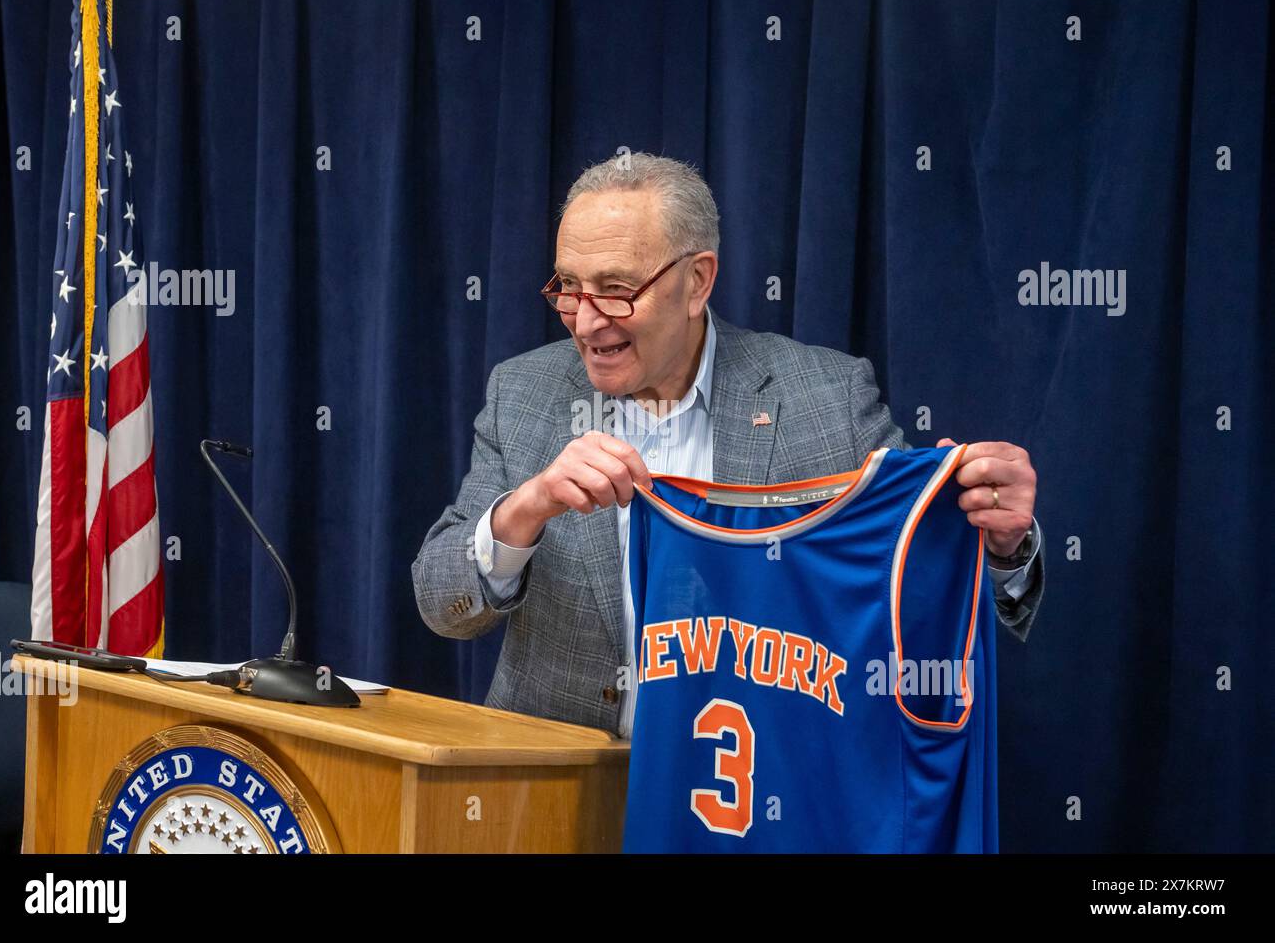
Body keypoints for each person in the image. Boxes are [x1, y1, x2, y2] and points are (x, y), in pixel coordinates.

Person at [412, 153, 1043, 736]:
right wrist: (526, 510)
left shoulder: (828, 398)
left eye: (616, 288)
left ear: (697, 281)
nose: (586, 318)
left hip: (755, 804)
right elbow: (444, 606)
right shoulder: (523, 392)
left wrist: (1001, 543)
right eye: (569, 287)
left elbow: (921, 597)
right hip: (559, 803)